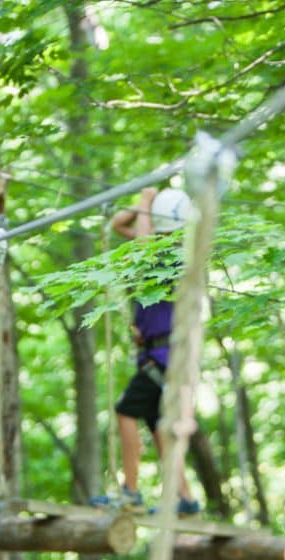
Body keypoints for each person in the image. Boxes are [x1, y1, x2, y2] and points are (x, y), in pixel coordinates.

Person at [93, 186, 201, 516]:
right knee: (158, 428)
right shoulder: (166, 247)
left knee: (126, 411)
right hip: (160, 357)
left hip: (165, 358)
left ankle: (132, 491)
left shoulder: (174, 255)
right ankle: (185, 498)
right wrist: (147, 202)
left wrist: (144, 202)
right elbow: (119, 225)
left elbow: (140, 243)